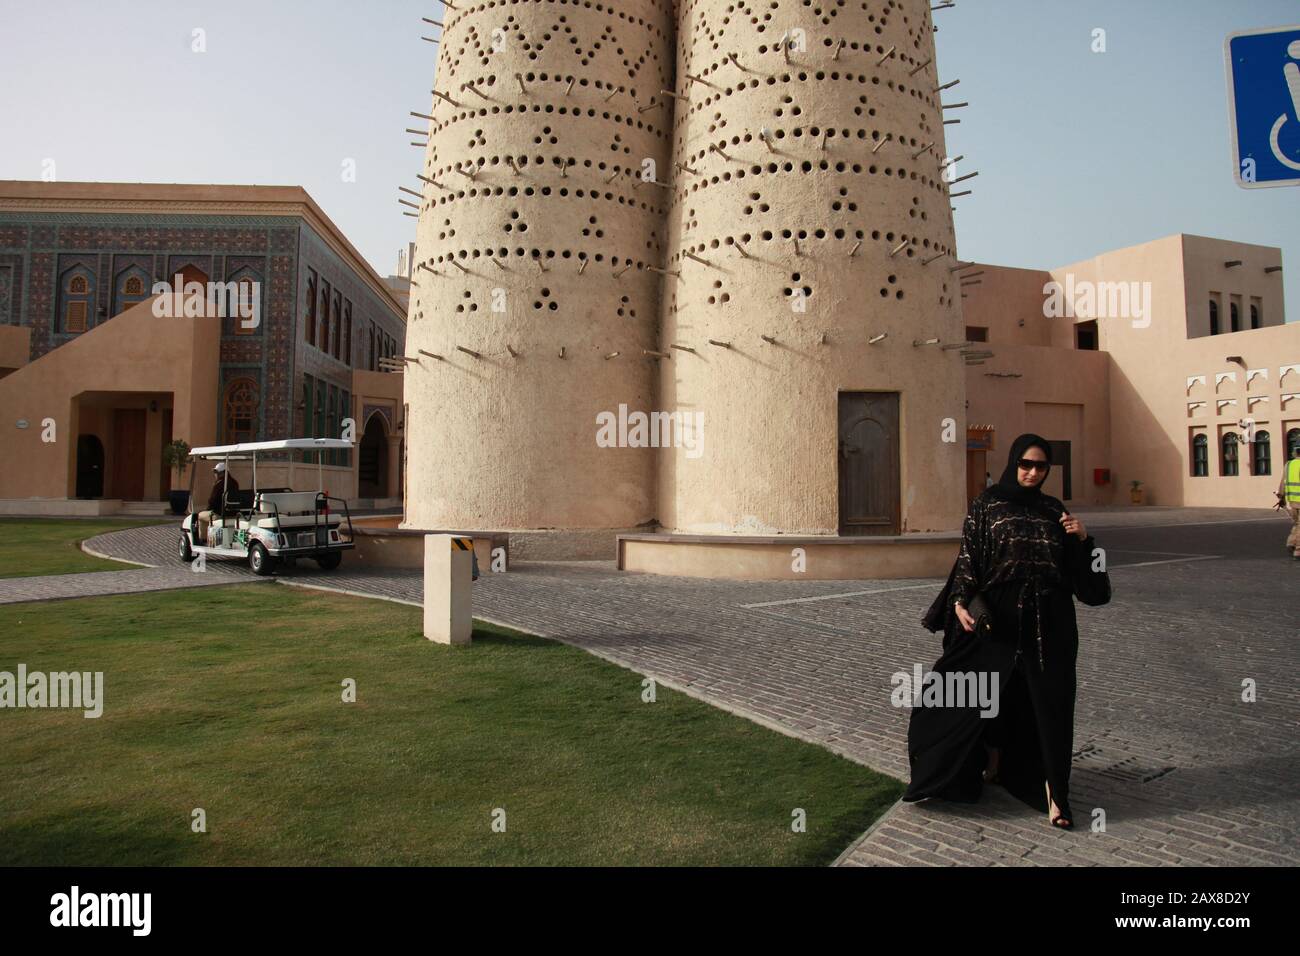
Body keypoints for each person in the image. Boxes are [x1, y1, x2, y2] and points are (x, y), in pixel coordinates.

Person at [903, 433, 1112, 830]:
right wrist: (960, 602)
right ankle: (978, 766)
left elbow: (1092, 589)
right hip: (996, 618)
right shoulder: (987, 505)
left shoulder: (1055, 511)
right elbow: (968, 560)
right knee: (963, 691)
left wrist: (1084, 541)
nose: (1033, 473)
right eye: (1026, 465)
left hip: (1050, 620)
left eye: (1041, 467)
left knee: (1048, 704)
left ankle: (1055, 795)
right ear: (1013, 462)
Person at [197, 462, 240, 547]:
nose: (216, 474)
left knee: (200, 515)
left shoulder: (219, 483)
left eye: (217, 472)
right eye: (215, 472)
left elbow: (212, 500)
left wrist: (208, 509)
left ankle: (203, 540)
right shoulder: (235, 483)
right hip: (233, 513)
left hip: (219, 514)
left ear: (224, 473)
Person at [1278, 446, 1300, 558]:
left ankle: (1291, 542)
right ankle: (1298, 550)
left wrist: (1281, 497)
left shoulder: (1288, 465)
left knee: (1297, 524)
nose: (1291, 452)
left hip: (1293, 500)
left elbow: (1283, 482)